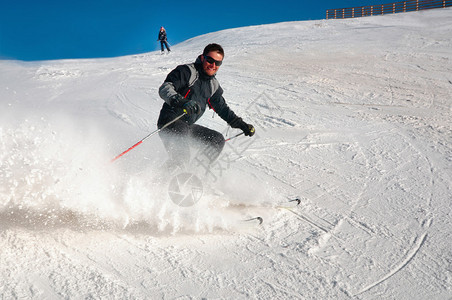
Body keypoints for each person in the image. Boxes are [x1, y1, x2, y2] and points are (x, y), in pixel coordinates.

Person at [157, 43, 255, 170]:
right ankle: (159, 182)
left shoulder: (213, 86)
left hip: (187, 126)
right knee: (182, 156)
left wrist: (242, 125)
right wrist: (181, 101)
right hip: (170, 121)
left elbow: (222, 109)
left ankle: (196, 173)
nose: (213, 65)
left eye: (218, 63)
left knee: (216, 140)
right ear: (203, 58)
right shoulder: (187, 72)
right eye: (210, 60)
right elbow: (165, 88)